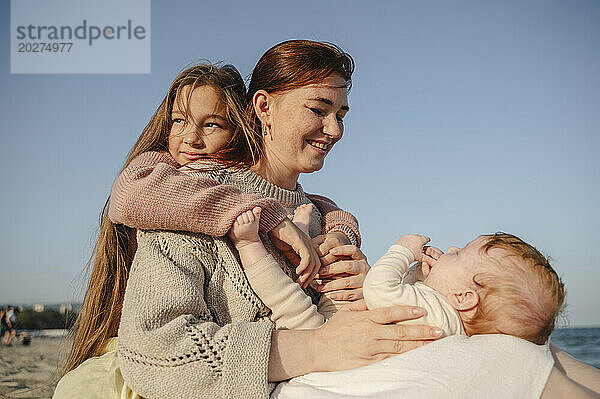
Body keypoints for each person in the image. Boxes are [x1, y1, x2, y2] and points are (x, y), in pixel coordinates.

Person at [114, 40, 441, 399]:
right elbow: (154, 351)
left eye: (341, 115)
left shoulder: (320, 219)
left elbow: (353, 339)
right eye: (319, 109)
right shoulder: (188, 196)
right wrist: (318, 347)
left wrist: (366, 290)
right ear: (264, 106)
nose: (334, 129)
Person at [364, 232, 564, 343]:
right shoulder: (447, 318)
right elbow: (407, 295)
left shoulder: (436, 314)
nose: (451, 249)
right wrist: (422, 274)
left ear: (462, 298)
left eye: (458, 254)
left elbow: (378, 290)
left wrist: (403, 251)